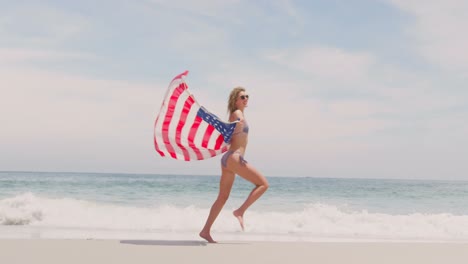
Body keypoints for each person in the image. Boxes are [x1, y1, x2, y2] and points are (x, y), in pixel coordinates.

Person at [199, 87, 269, 243]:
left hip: (228, 160)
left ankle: (205, 230)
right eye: (242, 97)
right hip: (234, 158)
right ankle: (240, 211)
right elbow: (235, 123)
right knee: (263, 184)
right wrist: (237, 122)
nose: (246, 99)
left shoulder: (238, 115)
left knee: (222, 197)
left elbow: (231, 134)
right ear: (235, 101)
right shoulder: (237, 114)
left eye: (247, 96)